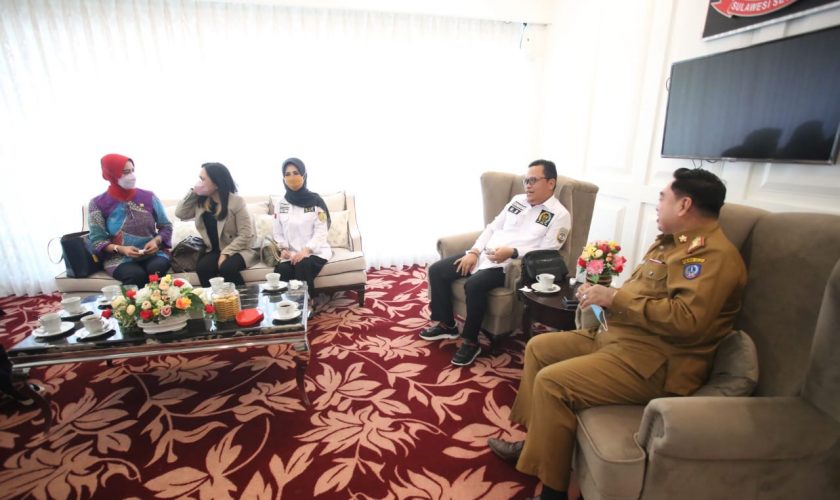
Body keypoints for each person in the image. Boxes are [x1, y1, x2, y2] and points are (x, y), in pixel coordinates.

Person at [486, 168, 747, 500]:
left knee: (553, 383)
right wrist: (603, 296)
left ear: (684, 205)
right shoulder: (670, 244)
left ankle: (554, 492)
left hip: (655, 363)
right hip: (621, 339)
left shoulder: (711, 256)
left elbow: (687, 319)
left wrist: (615, 298)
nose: (657, 205)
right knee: (539, 347)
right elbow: (646, 297)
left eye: (663, 198)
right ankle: (535, 445)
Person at [421, 159, 572, 367]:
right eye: (526, 180)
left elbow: (547, 252)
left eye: (533, 180)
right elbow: (492, 228)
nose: (527, 185)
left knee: (474, 285)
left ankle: (471, 342)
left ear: (551, 183)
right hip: (485, 254)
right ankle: (447, 325)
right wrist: (474, 252)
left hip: (509, 266)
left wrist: (513, 252)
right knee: (437, 270)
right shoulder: (517, 201)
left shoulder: (559, 215)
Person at [88, 154, 173, 287]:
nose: (132, 176)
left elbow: (166, 226)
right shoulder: (98, 203)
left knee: (156, 270)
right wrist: (121, 249)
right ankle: (135, 302)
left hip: (154, 253)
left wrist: (156, 241)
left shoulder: (149, 197)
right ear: (111, 174)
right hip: (119, 258)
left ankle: (163, 301)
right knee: (135, 276)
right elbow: (98, 241)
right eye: (126, 172)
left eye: (132, 170)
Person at [175, 162, 257, 287]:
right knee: (203, 268)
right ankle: (213, 299)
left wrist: (225, 253)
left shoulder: (236, 202)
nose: (199, 183)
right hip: (214, 250)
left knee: (227, 268)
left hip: (239, 249)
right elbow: (180, 213)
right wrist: (193, 192)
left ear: (216, 183)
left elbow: (246, 234)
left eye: (203, 179)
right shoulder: (200, 202)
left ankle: (244, 298)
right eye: (199, 179)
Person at [272, 158, 332, 310]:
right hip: (291, 254)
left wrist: (306, 250)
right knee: (283, 270)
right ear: (283, 178)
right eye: (287, 174)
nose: (292, 177)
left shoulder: (315, 201)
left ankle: (307, 304)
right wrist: (283, 249)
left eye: (296, 173)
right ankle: (287, 306)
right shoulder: (280, 204)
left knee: (303, 264)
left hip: (315, 251)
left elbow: (321, 230)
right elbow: (277, 232)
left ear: (304, 175)